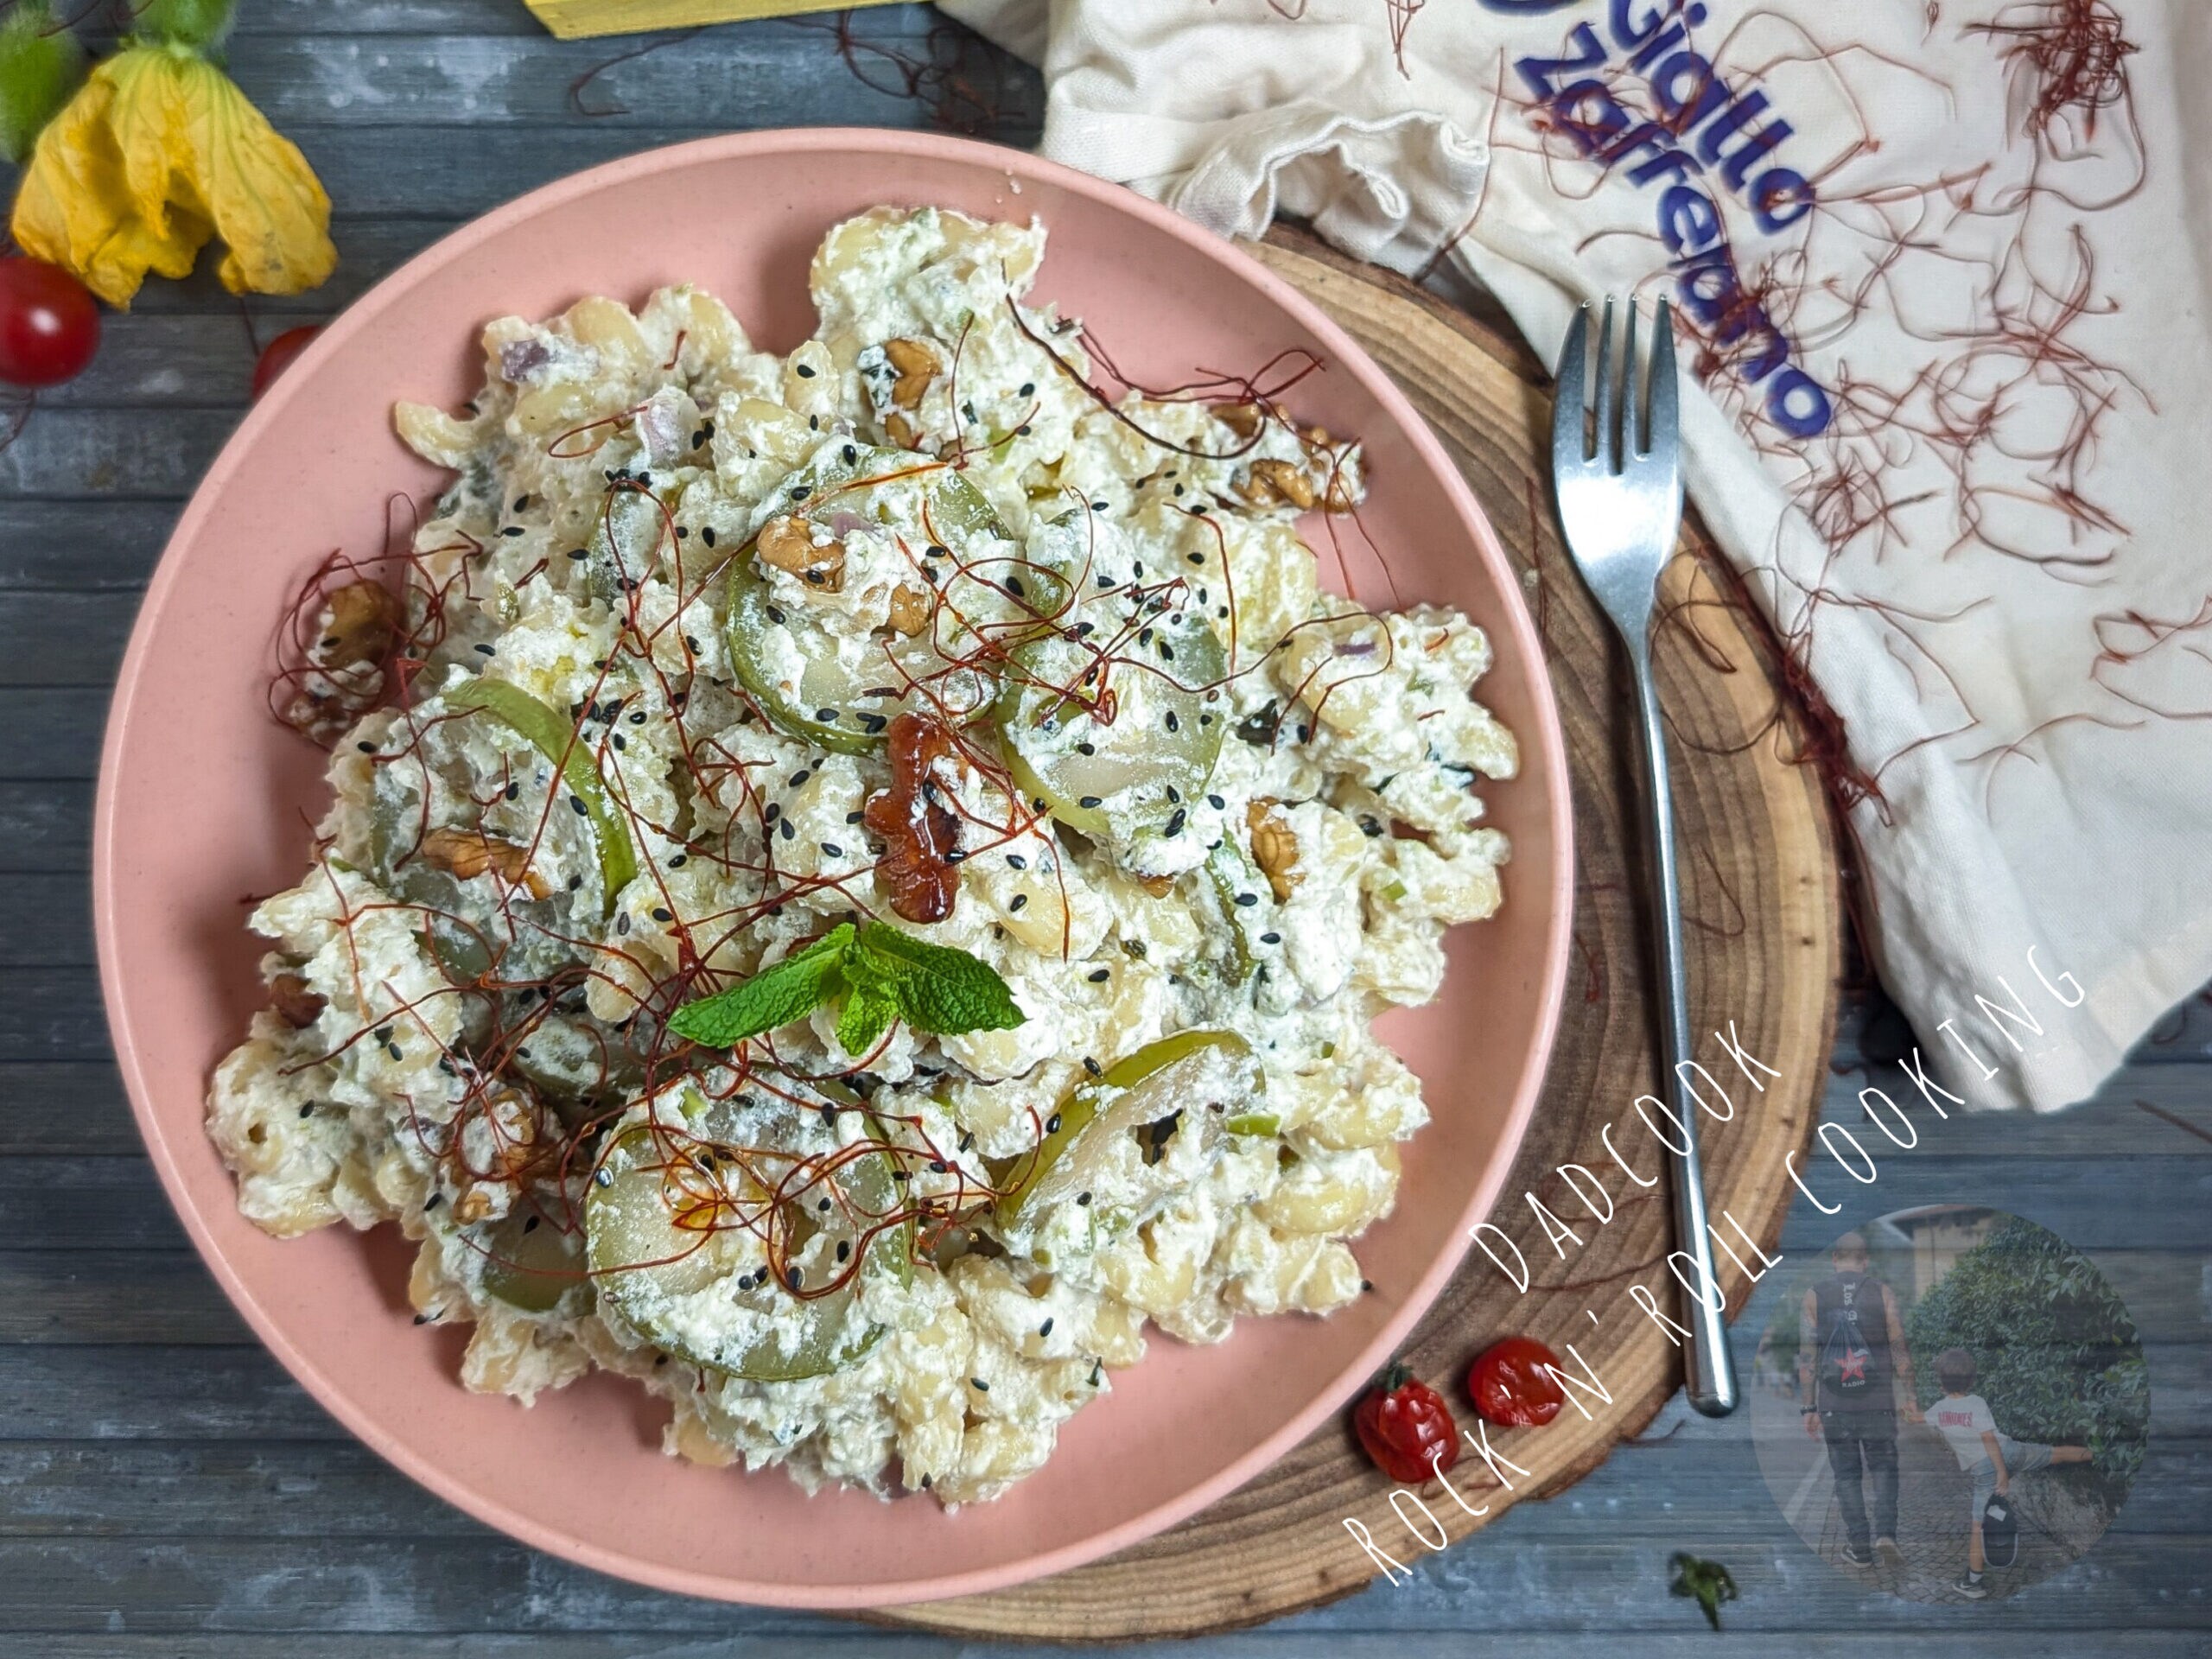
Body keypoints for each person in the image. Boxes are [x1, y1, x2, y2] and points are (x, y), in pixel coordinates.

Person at [1926, 1347, 2093, 1599]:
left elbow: (1986, 1440)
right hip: (2011, 1451)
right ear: (1971, 1379)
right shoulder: (1976, 1402)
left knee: (1978, 1526)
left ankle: (1973, 1583)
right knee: (2055, 1454)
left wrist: (2002, 1474)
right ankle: (2099, 1454)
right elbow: (1991, 1437)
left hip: (1988, 1469)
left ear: (1940, 1382)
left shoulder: (1938, 1410)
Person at [1798, 1232, 1919, 1569]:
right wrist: (1910, 1396)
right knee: (1883, 1468)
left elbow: (1807, 1357)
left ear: (1835, 1259)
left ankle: (1860, 1549)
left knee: (1847, 1476)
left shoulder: (1813, 1296)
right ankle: (1886, 1535)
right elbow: (1899, 1348)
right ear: (1865, 1261)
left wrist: (1809, 1408)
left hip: (1835, 1406)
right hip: (1878, 1403)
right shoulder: (1882, 1293)